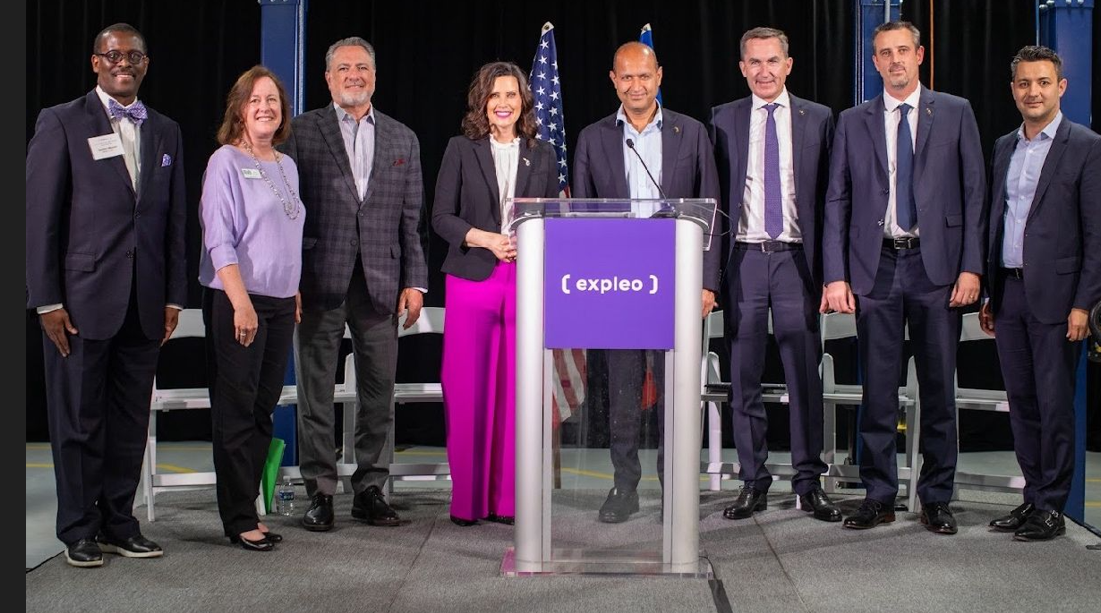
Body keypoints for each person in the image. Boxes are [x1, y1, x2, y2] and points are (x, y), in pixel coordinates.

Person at [25, 23, 186, 567]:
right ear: (96, 62)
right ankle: (77, 528)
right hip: (79, 303)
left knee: (129, 421)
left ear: (146, 63)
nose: (124, 62)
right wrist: (46, 300)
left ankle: (120, 519)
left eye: (134, 55)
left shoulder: (166, 131)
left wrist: (173, 298)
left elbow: (174, 224)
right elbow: (39, 220)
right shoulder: (62, 121)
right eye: (113, 55)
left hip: (144, 305)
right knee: (77, 420)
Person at [822, 21, 986, 534]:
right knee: (878, 391)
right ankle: (879, 495)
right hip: (877, 267)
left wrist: (971, 266)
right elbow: (837, 201)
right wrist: (836, 275)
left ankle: (936, 496)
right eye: (884, 53)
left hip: (937, 269)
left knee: (938, 388)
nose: (894, 61)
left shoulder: (955, 111)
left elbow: (975, 193)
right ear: (874, 62)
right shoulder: (853, 121)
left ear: (919, 55)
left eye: (902, 51)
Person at [279, 37, 428, 532]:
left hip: (382, 283)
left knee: (378, 392)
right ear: (327, 78)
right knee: (315, 392)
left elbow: (413, 221)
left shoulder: (403, 138)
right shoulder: (299, 133)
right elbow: (286, 216)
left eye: (362, 67)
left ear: (374, 76)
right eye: (343, 68)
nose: (353, 75)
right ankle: (319, 492)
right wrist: (289, 280)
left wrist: (416, 282)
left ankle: (370, 488)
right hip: (318, 280)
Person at [573, 41, 720, 523]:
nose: (636, 86)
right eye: (626, 77)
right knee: (622, 394)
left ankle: (676, 488)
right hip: (618, 287)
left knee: (677, 390)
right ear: (613, 81)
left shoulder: (692, 133)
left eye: (644, 76)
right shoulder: (593, 138)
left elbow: (712, 212)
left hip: (675, 283)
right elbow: (580, 219)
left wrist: (708, 283)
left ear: (660, 76)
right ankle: (624, 486)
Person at [710, 27, 839, 523]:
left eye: (773, 61)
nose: (764, 70)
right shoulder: (723, 119)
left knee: (803, 375)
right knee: (743, 378)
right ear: (742, 67)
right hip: (743, 260)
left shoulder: (820, 119)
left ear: (789, 64)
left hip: (796, 262)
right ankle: (753, 480)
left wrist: (833, 273)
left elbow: (833, 199)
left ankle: (809, 482)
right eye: (754, 62)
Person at [979, 45, 1101, 541]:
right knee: (1022, 403)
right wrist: (990, 291)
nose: (1033, 92)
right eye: (1024, 83)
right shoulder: (1005, 145)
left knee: (1054, 406)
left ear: (1061, 87)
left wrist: (1083, 305)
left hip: (1059, 302)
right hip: (1008, 295)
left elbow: (1096, 234)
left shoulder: (1087, 145)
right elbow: (998, 221)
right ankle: (1032, 496)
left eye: (1043, 82)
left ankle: (1053, 504)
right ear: (1013, 90)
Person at [432, 62, 560, 527]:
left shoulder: (541, 153)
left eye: (511, 95)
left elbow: (551, 217)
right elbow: (441, 217)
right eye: (494, 95)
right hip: (472, 279)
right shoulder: (460, 149)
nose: (503, 103)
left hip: (525, 281)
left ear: (524, 102)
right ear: (482, 102)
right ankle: (466, 502)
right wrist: (485, 238)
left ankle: (509, 501)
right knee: (467, 390)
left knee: (517, 391)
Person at [199, 66, 304, 551]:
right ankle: (238, 517)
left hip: (282, 302)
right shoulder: (224, 161)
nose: (266, 107)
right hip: (238, 300)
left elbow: (287, 234)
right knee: (236, 410)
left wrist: (294, 288)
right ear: (239, 108)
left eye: (274, 101)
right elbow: (219, 239)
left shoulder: (286, 164)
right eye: (256, 100)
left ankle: (250, 509)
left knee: (262, 409)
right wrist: (241, 303)